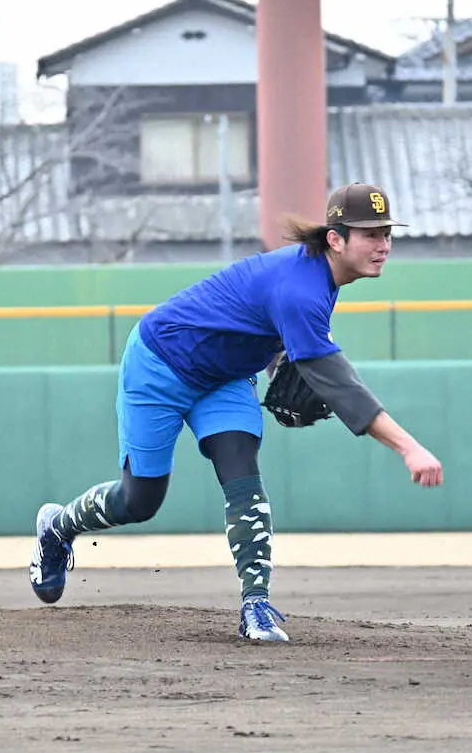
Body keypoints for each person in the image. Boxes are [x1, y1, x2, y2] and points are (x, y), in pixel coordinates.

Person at [28, 182, 444, 642]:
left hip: (224, 379)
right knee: (139, 501)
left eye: (386, 233)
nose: (383, 245)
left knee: (242, 472)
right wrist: (409, 448)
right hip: (159, 364)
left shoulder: (318, 276)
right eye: (370, 234)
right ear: (335, 239)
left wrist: (277, 361)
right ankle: (57, 527)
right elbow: (344, 389)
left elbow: (256, 322)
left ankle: (256, 606)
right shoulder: (302, 288)